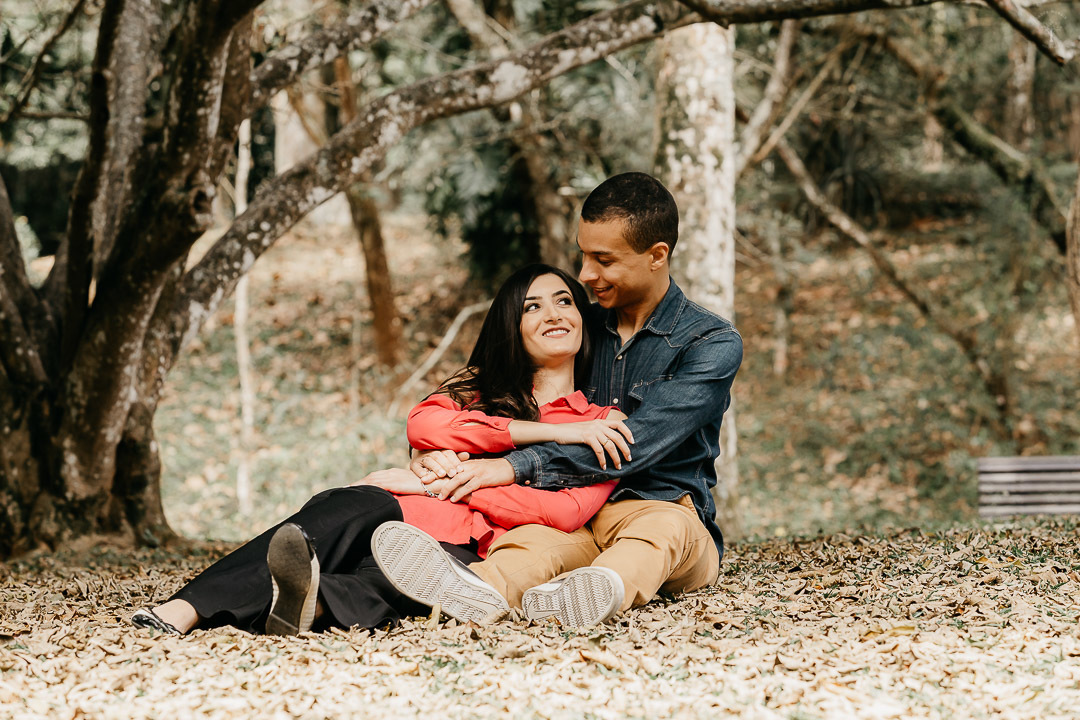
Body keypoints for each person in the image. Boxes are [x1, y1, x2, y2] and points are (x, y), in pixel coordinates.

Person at [130, 264, 634, 636]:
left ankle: (308, 605)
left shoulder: (600, 421)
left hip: (464, 541)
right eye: (533, 306)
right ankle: (186, 609)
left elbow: (568, 511)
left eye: (565, 301)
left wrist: (452, 481)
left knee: (397, 584)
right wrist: (550, 434)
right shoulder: (482, 388)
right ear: (513, 326)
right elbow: (426, 423)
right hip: (399, 506)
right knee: (334, 516)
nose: (553, 313)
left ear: (584, 320)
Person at [372, 172, 743, 627]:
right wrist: (436, 451)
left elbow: (634, 443)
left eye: (603, 259)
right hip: (571, 509)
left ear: (656, 256)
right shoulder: (575, 325)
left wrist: (512, 466)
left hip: (664, 506)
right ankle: (477, 592)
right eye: (583, 254)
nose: (585, 274)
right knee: (528, 546)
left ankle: (598, 590)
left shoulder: (709, 342)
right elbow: (482, 391)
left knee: (655, 536)